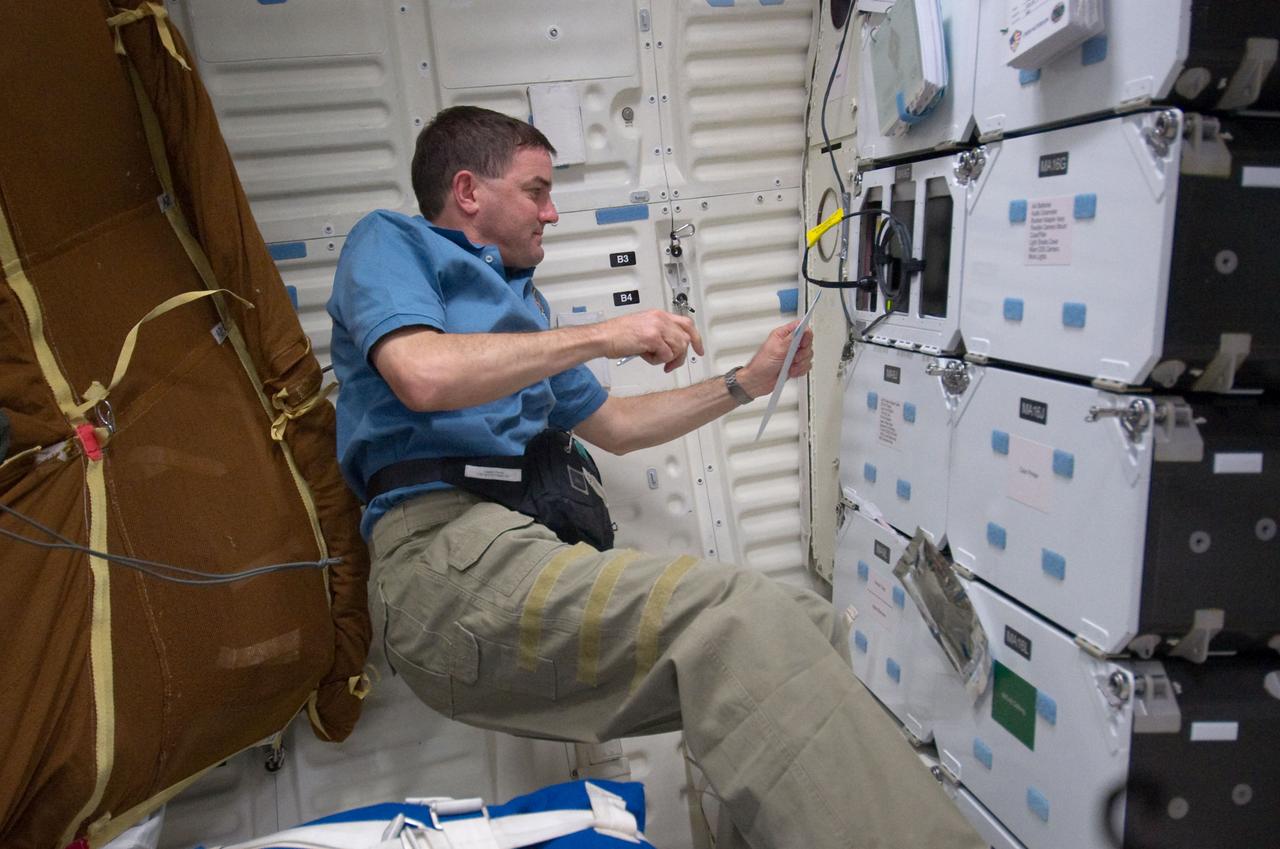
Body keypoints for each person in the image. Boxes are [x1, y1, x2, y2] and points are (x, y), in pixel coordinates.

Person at [327, 105, 983, 849]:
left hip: (509, 544)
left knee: (806, 621)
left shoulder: (522, 313)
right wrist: (604, 335)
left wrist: (747, 381)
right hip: (440, 563)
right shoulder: (392, 241)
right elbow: (419, 372)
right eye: (537, 190)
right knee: (735, 617)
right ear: (469, 191)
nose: (552, 212)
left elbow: (618, 425)